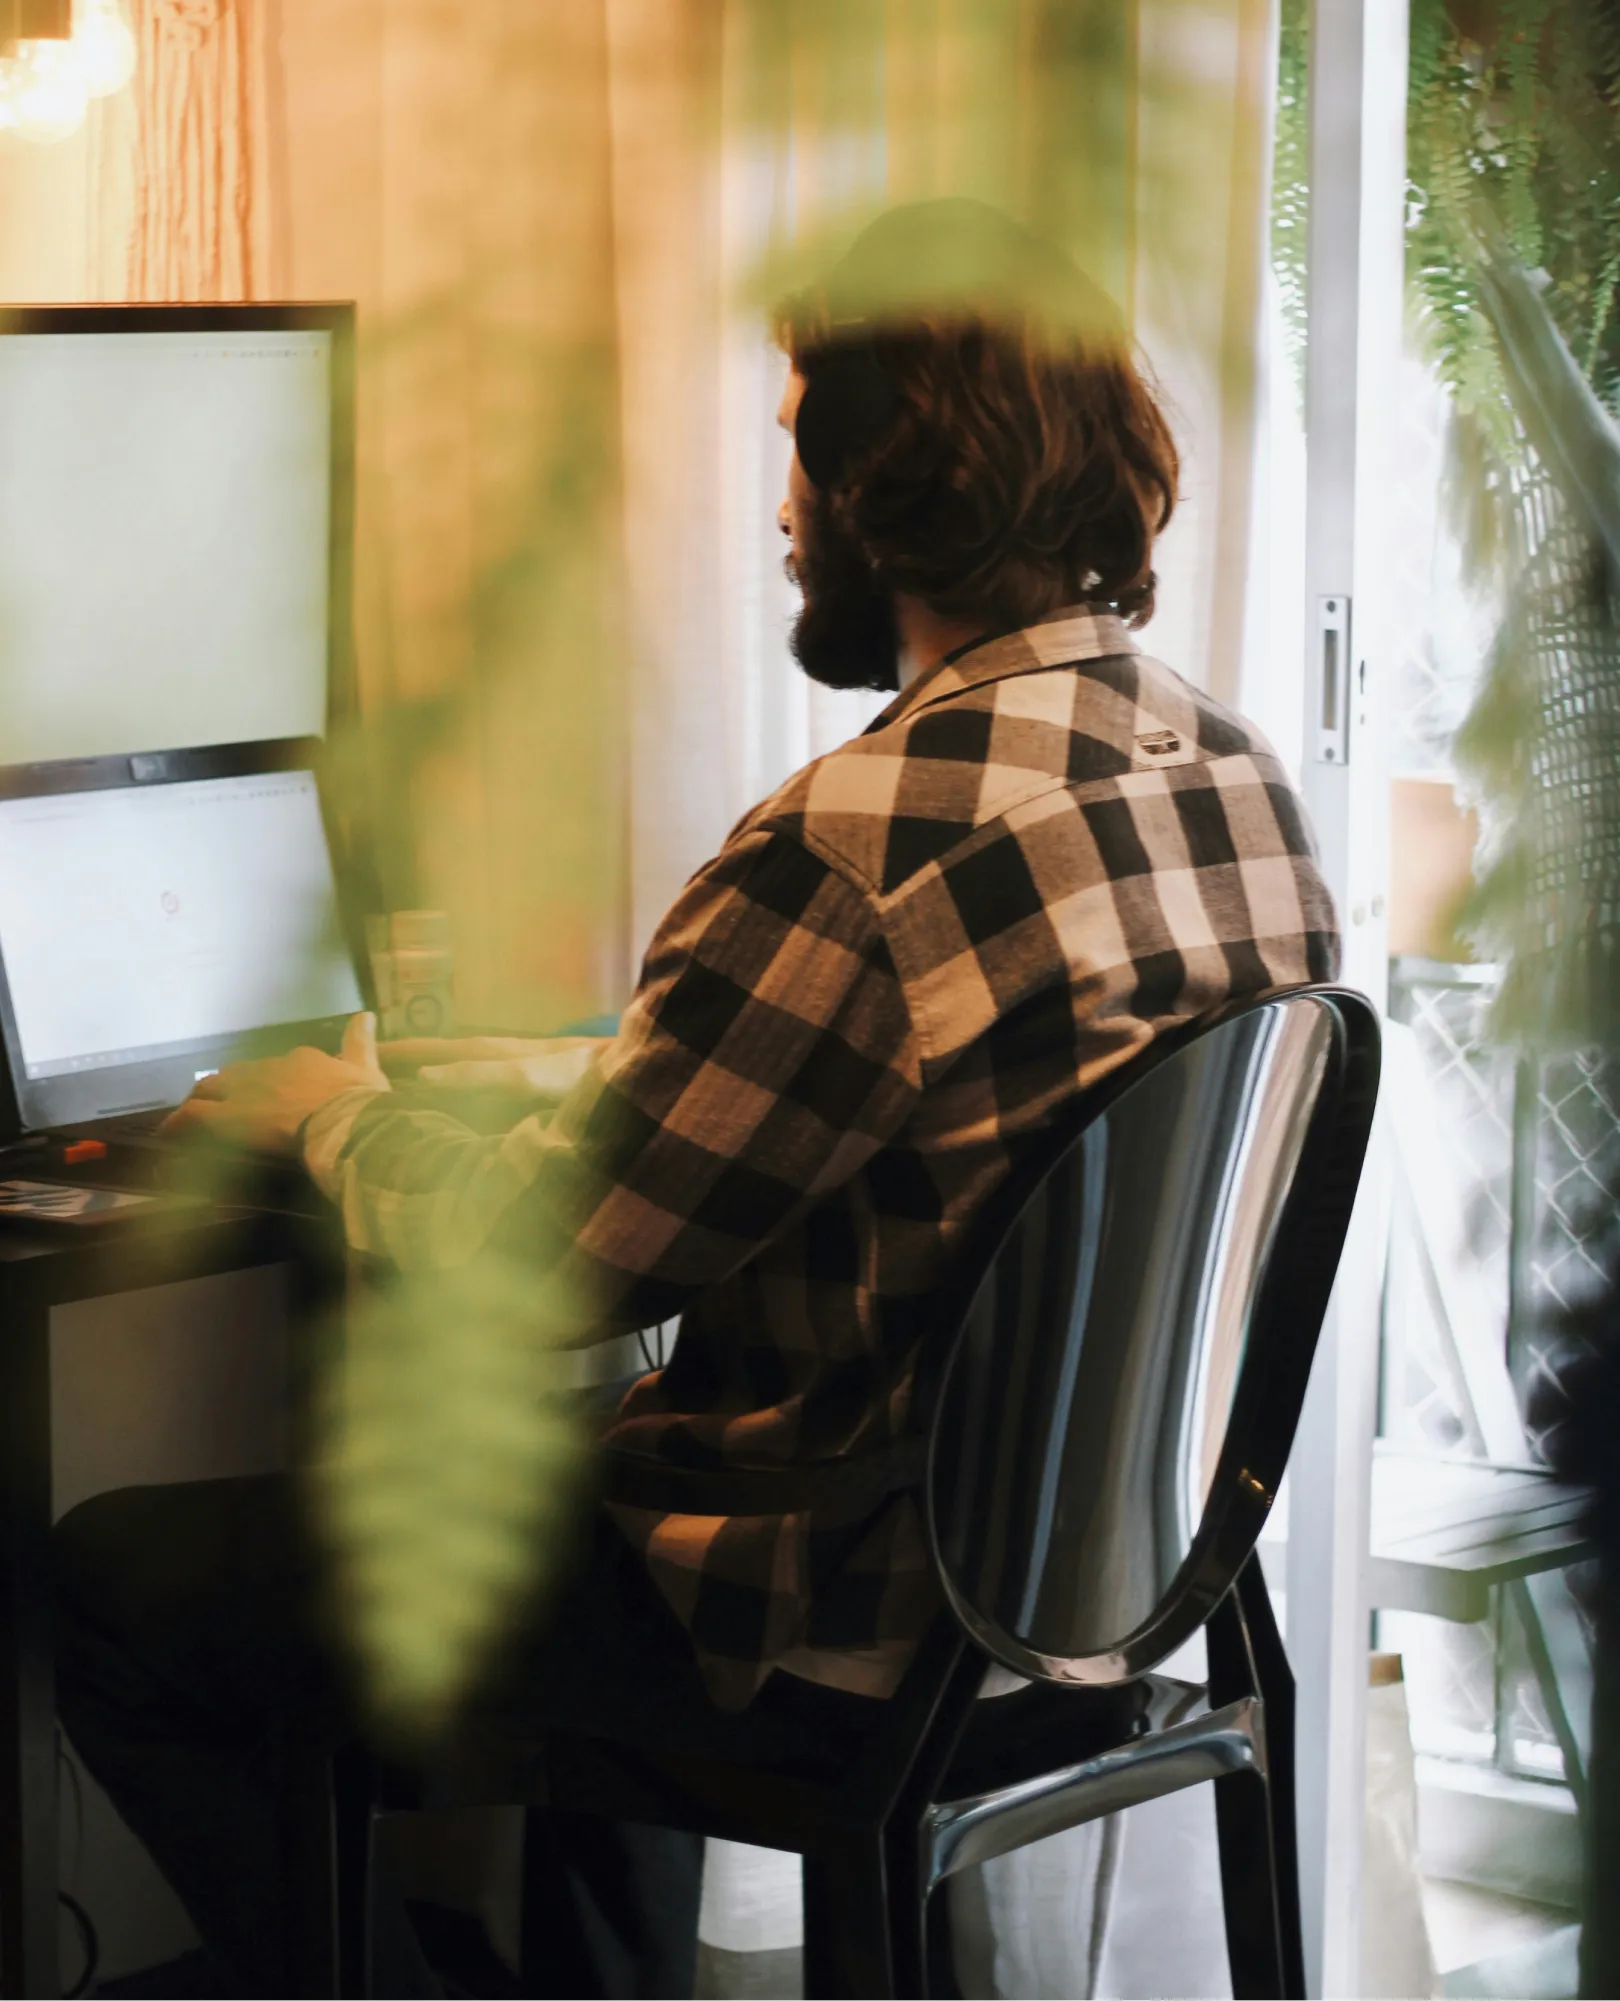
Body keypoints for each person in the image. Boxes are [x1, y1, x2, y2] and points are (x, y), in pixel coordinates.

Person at [52, 200, 1338, 1997]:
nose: (783, 510)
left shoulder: (863, 834)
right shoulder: (1230, 774)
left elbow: (562, 1266)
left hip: (840, 1628)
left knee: (119, 1576)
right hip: (1112, 1602)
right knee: (621, 1469)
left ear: (880, 486)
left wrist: (324, 1120)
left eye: (798, 452)